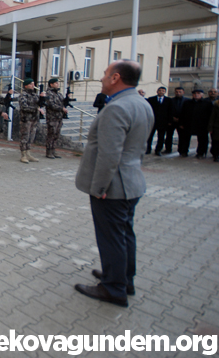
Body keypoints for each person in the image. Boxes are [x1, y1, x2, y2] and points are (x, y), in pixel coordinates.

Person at [74, 60, 153, 307]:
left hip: (113, 187)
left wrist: (99, 188)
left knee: (111, 238)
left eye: (105, 73)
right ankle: (123, 278)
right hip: (132, 182)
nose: (102, 78)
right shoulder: (141, 103)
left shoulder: (116, 109)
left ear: (116, 77)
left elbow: (110, 154)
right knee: (124, 234)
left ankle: (113, 289)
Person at [178, 89, 213, 158]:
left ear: (202, 94)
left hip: (202, 125)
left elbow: (210, 115)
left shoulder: (207, 103)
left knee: (202, 140)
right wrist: (181, 123)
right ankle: (184, 152)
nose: (196, 95)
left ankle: (200, 153)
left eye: (198, 93)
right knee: (185, 139)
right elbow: (182, 113)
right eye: (194, 93)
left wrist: (209, 126)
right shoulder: (187, 103)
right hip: (188, 124)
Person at [18, 78, 45, 163]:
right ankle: (23, 155)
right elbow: (24, 107)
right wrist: (36, 109)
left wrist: (42, 99)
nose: (33, 85)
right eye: (31, 84)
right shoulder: (23, 95)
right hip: (26, 119)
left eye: (33, 84)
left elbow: (39, 105)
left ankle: (28, 153)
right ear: (26, 86)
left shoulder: (35, 95)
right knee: (25, 137)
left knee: (31, 137)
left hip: (34, 119)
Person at [44, 78, 68, 159]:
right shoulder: (49, 94)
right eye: (56, 83)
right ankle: (49, 151)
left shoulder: (59, 94)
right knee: (51, 134)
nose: (58, 84)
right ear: (51, 84)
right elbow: (51, 105)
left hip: (59, 117)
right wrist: (61, 108)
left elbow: (63, 102)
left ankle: (54, 150)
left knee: (56, 134)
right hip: (52, 117)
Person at [145, 86, 172, 156]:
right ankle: (148, 149)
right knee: (150, 136)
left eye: (163, 91)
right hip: (152, 121)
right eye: (160, 90)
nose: (161, 92)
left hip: (163, 122)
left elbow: (170, 111)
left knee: (161, 137)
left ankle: (158, 150)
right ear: (157, 91)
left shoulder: (168, 100)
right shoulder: (151, 99)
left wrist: (169, 121)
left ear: (165, 92)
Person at [165, 87, 188, 154]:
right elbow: (168, 110)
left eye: (180, 92)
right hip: (171, 121)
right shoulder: (170, 100)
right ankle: (168, 149)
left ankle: (181, 150)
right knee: (169, 136)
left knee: (182, 137)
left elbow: (187, 112)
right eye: (177, 92)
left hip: (181, 122)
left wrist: (180, 119)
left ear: (183, 92)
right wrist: (172, 118)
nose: (178, 93)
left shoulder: (187, 101)